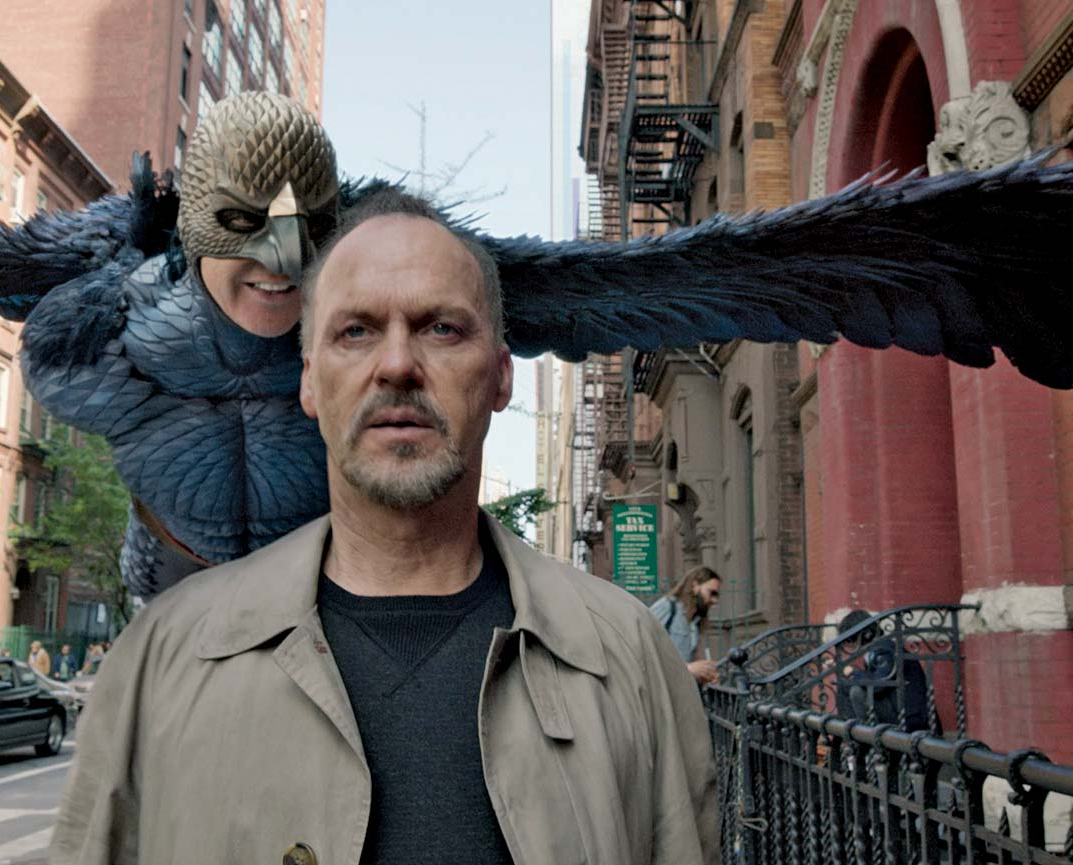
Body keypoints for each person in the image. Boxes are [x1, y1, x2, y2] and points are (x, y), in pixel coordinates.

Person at [51, 191, 718, 865]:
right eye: (356, 332)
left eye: (442, 329)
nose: (397, 364)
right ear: (309, 381)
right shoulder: (160, 659)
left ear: (500, 377)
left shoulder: (631, 661)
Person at [832, 609, 936, 733]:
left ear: (866, 634)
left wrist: (852, 674)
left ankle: (865, 736)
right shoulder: (877, 648)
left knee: (856, 690)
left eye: (850, 639)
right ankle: (849, 733)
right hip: (898, 709)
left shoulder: (884, 648)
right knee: (845, 685)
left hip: (910, 718)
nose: (850, 644)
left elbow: (879, 685)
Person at [649, 566, 722, 686]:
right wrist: (688, 668)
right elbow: (644, 649)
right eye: (712, 593)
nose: (715, 600)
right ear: (695, 586)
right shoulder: (667, 607)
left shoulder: (695, 621)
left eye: (717, 595)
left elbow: (689, 662)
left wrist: (704, 674)